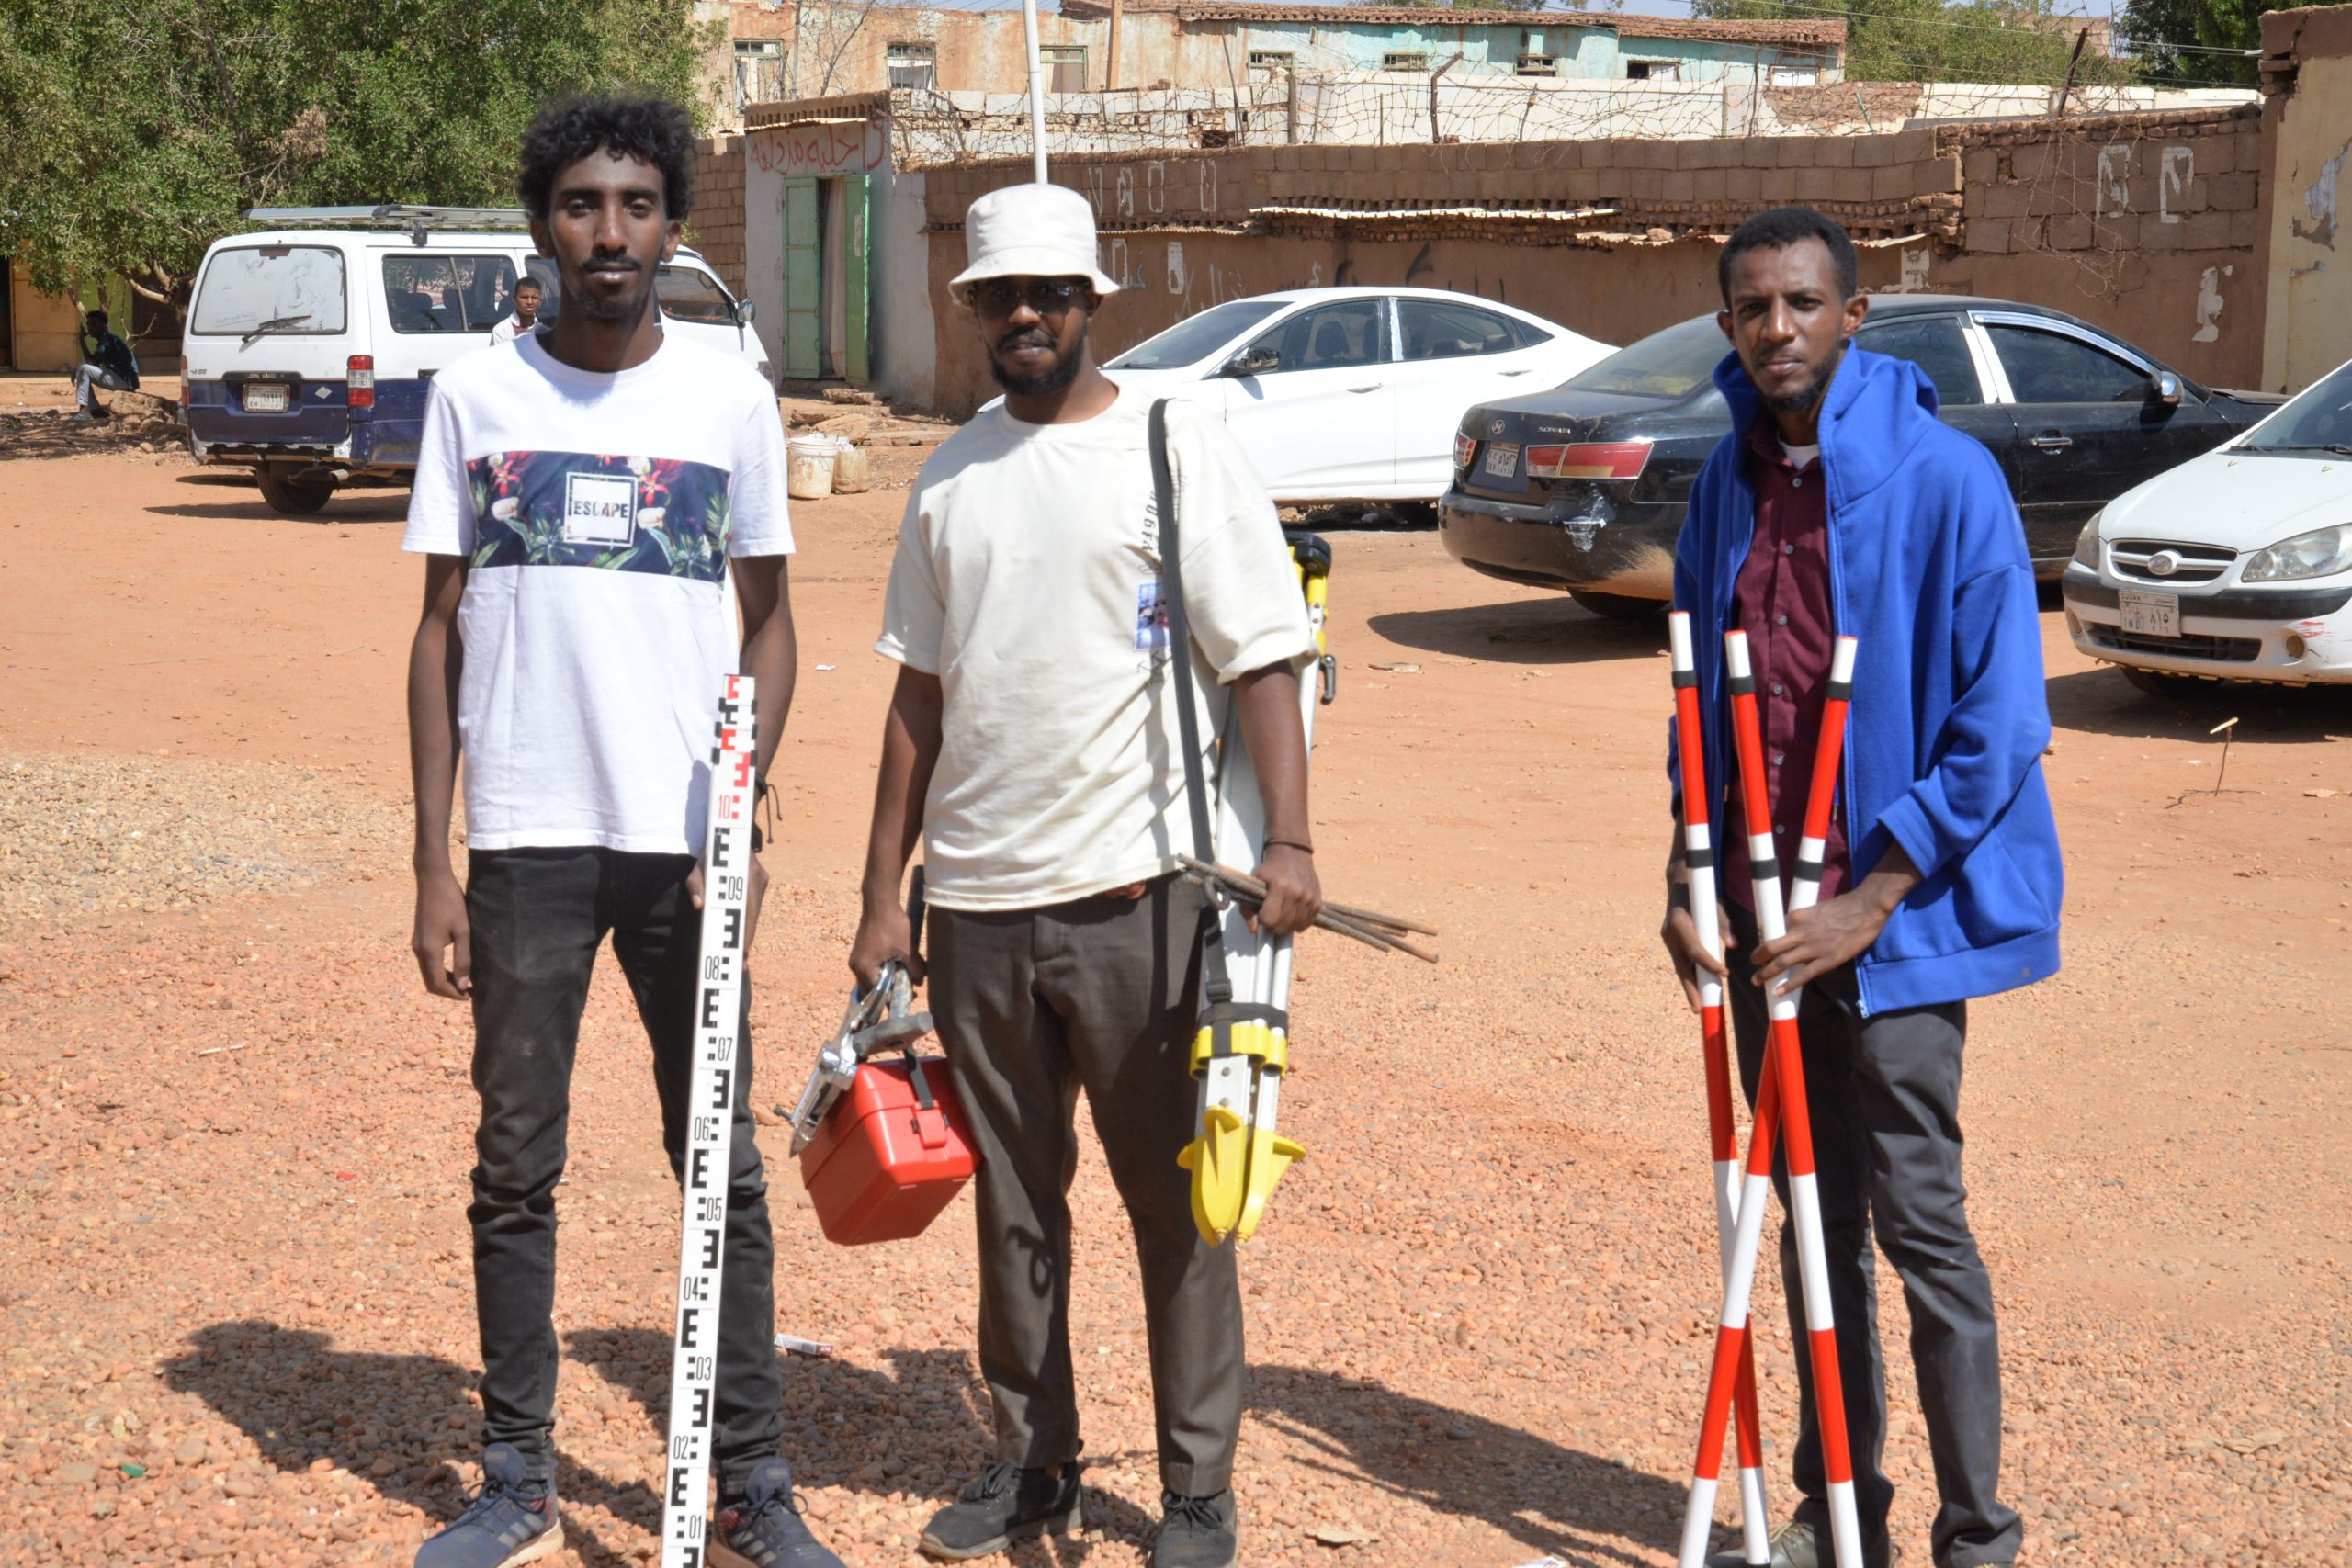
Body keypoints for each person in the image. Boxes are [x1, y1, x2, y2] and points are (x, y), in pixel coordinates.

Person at [847, 181, 1322, 1568]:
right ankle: (1033, 1461)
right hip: (979, 906)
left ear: (1093, 303)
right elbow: (918, 698)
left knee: (1177, 1207)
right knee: (1012, 1207)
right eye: (1003, 297)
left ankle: (1196, 1493)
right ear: (978, 313)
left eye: (1051, 294)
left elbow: (1264, 654)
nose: (1028, 315)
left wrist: (1286, 842)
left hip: (1143, 897)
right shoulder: (949, 474)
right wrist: (885, 890)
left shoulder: (1176, 446)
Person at [401, 92, 842, 1568]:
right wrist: (431, 857)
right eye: (583, 203)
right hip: (526, 833)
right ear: (543, 221)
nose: (611, 231)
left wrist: (749, 806)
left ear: (672, 224)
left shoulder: (727, 392)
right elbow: (437, 631)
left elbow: (773, 627)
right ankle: (518, 1472)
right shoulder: (477, 394)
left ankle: (753, 1481)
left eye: (639, 204)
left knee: (717, 1160)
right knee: (516, 1158)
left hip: (685, 839)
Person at [1661, 206, 2061, 1568]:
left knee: (1918, 1225)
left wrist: (1872, 893)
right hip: (1776, 922)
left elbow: (2001, 723)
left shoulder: (1948, 482)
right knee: (1809, 1233)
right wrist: (1691, 865)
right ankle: (1850, 1526)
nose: (1778, 326)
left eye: (1801, 302)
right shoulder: (1726, 483)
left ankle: (1976, 1535)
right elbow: (1704, 712)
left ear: (1853, 315)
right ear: (1729, 328)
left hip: (1899, 921)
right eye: (1753, 307)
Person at [70, 309, 140, 421]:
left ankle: (84, 411)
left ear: (103, 324)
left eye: (94, 324)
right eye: (89, 325)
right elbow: (93, 363)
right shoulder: (105, 340)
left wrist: (82, 340)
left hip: (125, 380)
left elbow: (90, 362)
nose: (90, 328)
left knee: (84, 368)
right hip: (122, 379)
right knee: (83, 369)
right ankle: (94, 409)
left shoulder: (108, 339)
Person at [489, 278, 545, 345]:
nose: (529, 302)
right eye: (524, 297)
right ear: (515, 300)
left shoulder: (544, 332)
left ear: (540, 302)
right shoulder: (501, 331)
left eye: (534, 298)